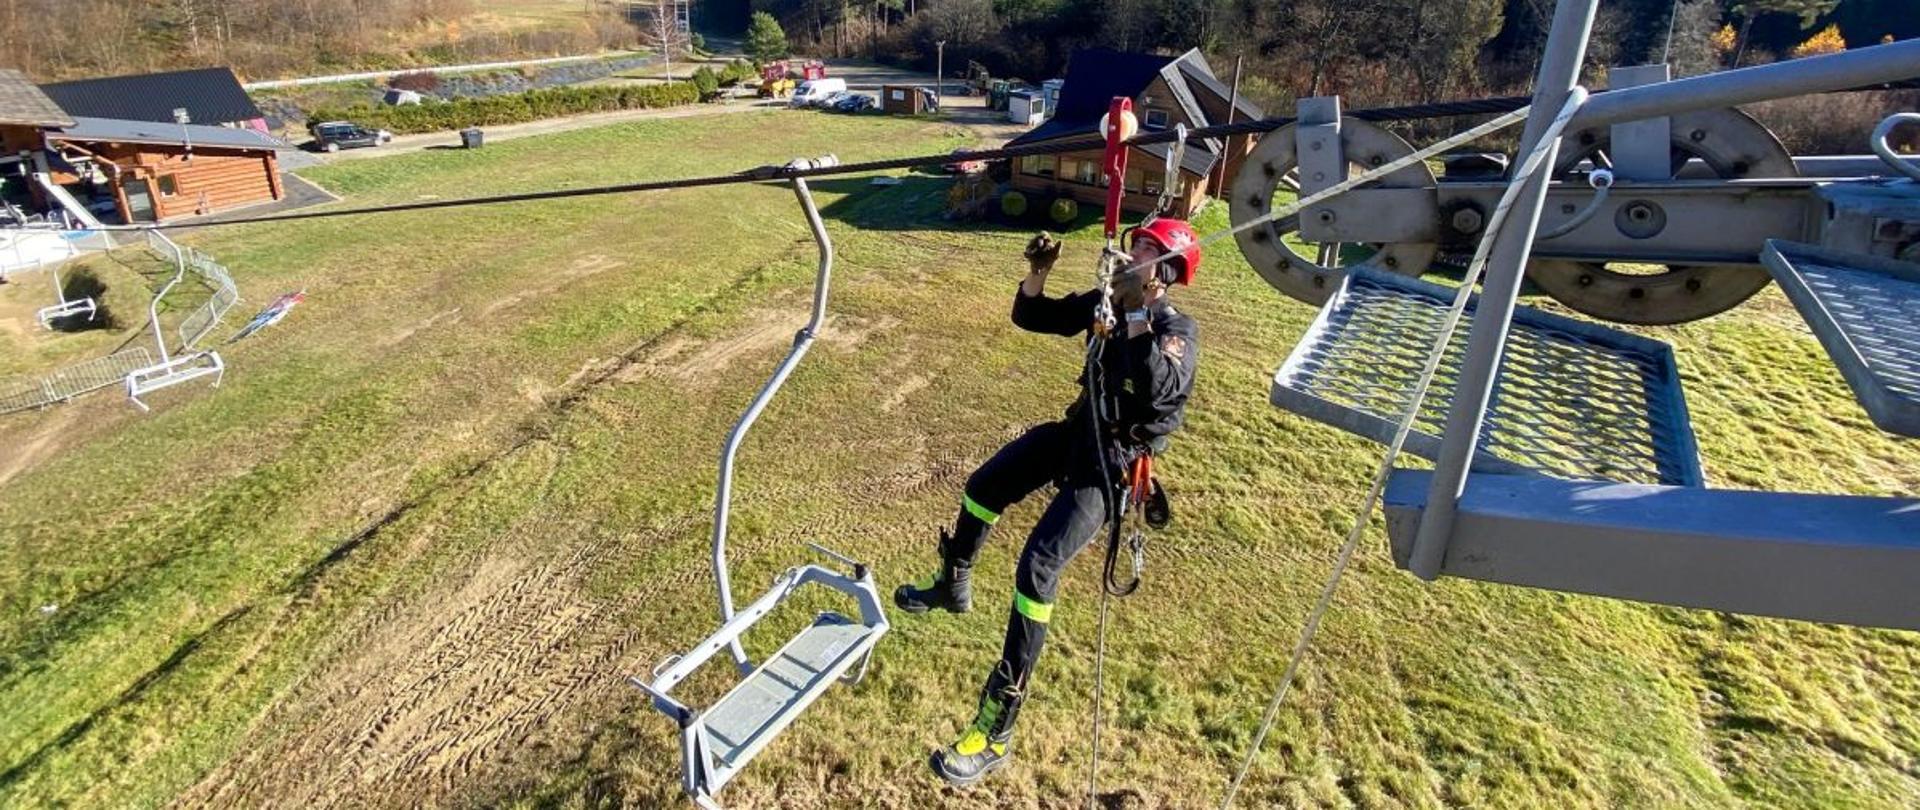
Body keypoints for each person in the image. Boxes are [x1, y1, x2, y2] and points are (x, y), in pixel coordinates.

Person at [895, 218, 1202, 786]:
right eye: (1134, 244)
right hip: (1076, 434)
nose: (1130, 255)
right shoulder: (1107, 303)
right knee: (984, 488)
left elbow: (1158, 388)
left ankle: (996, 728)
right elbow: (1034, 316)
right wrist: (1038, 274)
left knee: (1037, 568)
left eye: (1144, 250)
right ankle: (952, 582)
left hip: (1111, 465)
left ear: (1164, 273)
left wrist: (1135, 313)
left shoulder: (1174, 328)